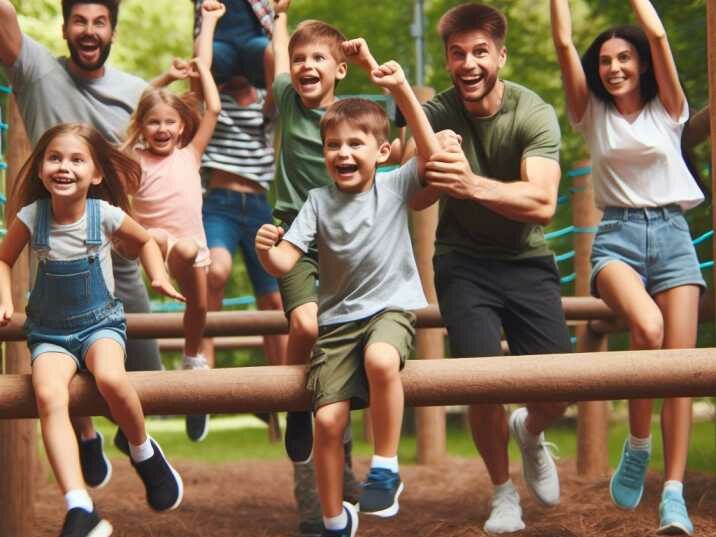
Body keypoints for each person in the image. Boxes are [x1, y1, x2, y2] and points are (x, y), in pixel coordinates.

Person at [256, 42, 442, 535]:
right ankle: (335, 517)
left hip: (389, 311)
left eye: (356, 144)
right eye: (334, 146)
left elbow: (433, 153)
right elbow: (284, 260)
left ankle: (385, 465)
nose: (343, 153)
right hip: (337, 324)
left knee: (382, 361)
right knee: (329, 423)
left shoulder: (395, 185)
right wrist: (264, 251)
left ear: (381, 152)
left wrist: (399, 88)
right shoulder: (317, 202)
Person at [0, 0, 185, 487]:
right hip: (54, 238)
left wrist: (164, 246)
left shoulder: (133, 91)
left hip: (114, 238)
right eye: (79, 20)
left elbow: (167, 153)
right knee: (54, 337)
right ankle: (84, 439)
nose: (88, 30)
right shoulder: (37, 71)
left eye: (99, 22)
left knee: (139, 377)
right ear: (64, 28)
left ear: (112, 32)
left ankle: (134, 440)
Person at [401, 3, 570, 533]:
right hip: (462, 261)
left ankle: (532, 430)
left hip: (527, 259)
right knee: (480, 381)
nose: (468, 64)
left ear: (500, 54)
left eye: (479, 52)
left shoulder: (533, 111)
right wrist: (431, 160)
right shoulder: (436, 113)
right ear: (448, 61)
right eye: (457, 54)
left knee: (559, 390)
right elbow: (418, 200)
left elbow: (542, 203)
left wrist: (471, 182)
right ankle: (503, 493)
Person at [551, 1, 705, 534]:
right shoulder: (590, 111)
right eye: (606, 61)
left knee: (679, 374)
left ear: (640, 64)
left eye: (624, 59)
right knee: (648, 328)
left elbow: (658, 36)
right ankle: (638, 446)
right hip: (615, 238)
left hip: (673, 237)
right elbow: (565, 45)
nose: (613, 68)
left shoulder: (669, 109)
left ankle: (674, 495)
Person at [0, 123, 185, 537]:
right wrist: (5, 300)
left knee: (110, 379)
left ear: (97, 174)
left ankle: (143, 450)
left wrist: (157, 276)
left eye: (76, 159)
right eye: (55, 158)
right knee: (49, 396)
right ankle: (80, 506)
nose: (64, 167)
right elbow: (3, 259)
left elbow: (145, 242)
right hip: (49, 333)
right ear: (42, 169)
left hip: (100, 324)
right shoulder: (32, 218)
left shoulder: (105, 215)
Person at [270, 2, 359, 534]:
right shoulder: (285, 97)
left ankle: (340, 459)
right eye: (299, 58)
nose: (306, 66)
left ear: (339, 69)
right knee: (305, 325)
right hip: (290, 235)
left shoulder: (351, 116)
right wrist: (277, 14)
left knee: (340, 352)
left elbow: (393, 138)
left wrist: (408, 144)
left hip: (344, 242)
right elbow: (277, 53)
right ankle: (296, 410)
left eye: (319, 58)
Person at [194, 0, 288, 441]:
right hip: (219, 204)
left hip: (259, 208)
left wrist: (281, 18)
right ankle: (203, 383)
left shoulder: (269, 104)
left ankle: (282, 398)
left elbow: (279, 66)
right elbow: (203, 63)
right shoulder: (212, 104)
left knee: (273, 303)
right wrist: (208, 22)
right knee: (216, 271)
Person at [121, 52, 221, 442]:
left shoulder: (190, 155)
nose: (162, 129)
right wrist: (161, 79)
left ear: (181, 127)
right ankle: (161, 274)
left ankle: (193, 359)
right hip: (151, 245)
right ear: (143, 128)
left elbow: (212, 107)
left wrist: (204, 71)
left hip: (193, 248)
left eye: (169, 122)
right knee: (164, 240)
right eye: (154, 122)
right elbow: (128, 127)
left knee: (198, 308)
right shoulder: (135, 160)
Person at [191, 0, 274, 93]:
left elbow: (272, 24)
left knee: (273, 49)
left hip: (253, 41)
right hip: (219, 43)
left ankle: (272, 106)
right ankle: (196, 102)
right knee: (198, 51)